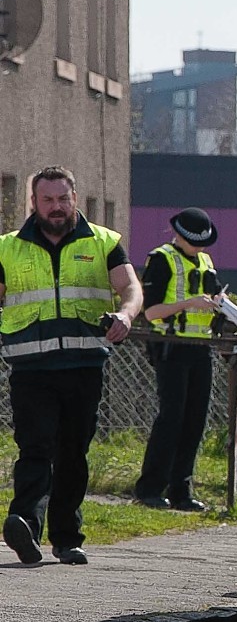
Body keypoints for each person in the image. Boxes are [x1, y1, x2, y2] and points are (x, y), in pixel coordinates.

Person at [1, 166, 143, 566]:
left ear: (75, 199)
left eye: (63, 199)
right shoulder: (7, 248)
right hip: (31, 369)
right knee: (35, 446)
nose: (56, 207)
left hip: (83, 366)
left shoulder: (103, 242)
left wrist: (127, 315)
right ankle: (25, 523)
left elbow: (130, 287)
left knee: (72, 452)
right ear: (34, 202)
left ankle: (67, 538)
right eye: (47, 200)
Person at [133, 207, 223, 511]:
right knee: (171, 418)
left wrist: (219, 306)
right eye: (195, 241)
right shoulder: (161, 259)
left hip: (200, 347)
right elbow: (151, 311)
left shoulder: (206, 261)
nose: (200, 247)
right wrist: (189, 303)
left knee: (195, 419)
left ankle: (181, 490)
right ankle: (150, 488)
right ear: (179, 235)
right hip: (171, 347)